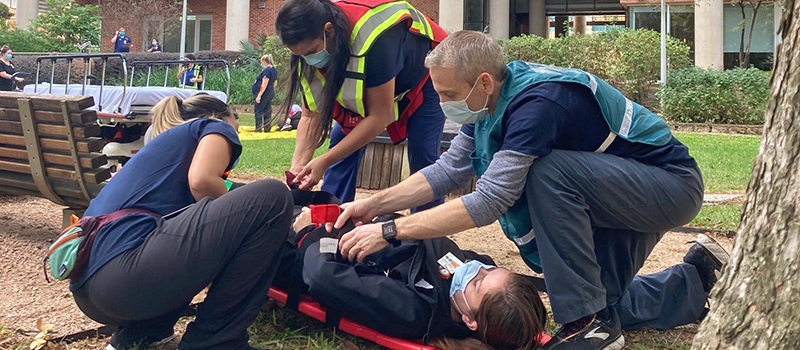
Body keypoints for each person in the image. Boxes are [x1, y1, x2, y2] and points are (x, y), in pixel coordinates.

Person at [330, 31, 731, 350]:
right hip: (619, 193)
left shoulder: (537, 105)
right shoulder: (488, 104)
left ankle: (588, 325)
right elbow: (449, 170)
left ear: (483, 81)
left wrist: (390, 231)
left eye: (448, 95)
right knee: (595, 295)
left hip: (668, 186)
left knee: (549, 175)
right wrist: (372, 205)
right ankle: (696, 277)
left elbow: (489, 200)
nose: (441, 102)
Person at [69, 94, 293, 350]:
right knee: (272, 197)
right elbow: (202, 181)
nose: (237, 133)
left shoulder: (164, 154)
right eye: (237, 124)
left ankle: (146, 332)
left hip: (90, 291)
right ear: (222, 116)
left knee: (183, 232)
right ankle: (216, 341)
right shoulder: (212, 126)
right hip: (123, 278)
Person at [276, 201, 548, 350]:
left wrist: (311, 234)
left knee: (268, 199)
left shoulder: (414, 309)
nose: (476, 268)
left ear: (469, 320)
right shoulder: (461, 277)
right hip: (347, 229)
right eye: (490, 268)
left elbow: (323, 277)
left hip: (297, 251)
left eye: (477, 280)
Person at [275, 0, 448, 210]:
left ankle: (426, 236)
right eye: (300, 55)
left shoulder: (377, 37)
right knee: (340, 144)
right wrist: (299, 166)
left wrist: (324, 161)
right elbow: (311, 116)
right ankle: (329, 219)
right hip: (378, 79)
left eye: (311, 51)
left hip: (423, 76)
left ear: (328, 31)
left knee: (423, 155)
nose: (308, 59)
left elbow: (380, 116)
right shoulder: (308, 52)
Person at [252, 54, 278, 132]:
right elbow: (275, 82)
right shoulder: (273, 70)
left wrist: (259, 95)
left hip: (264, 93)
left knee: (259, 111)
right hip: (270, 92)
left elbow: (264, 83)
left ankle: (258, 128)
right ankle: (267, 128)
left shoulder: (267, 71)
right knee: (267, 110)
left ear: (264, 61)